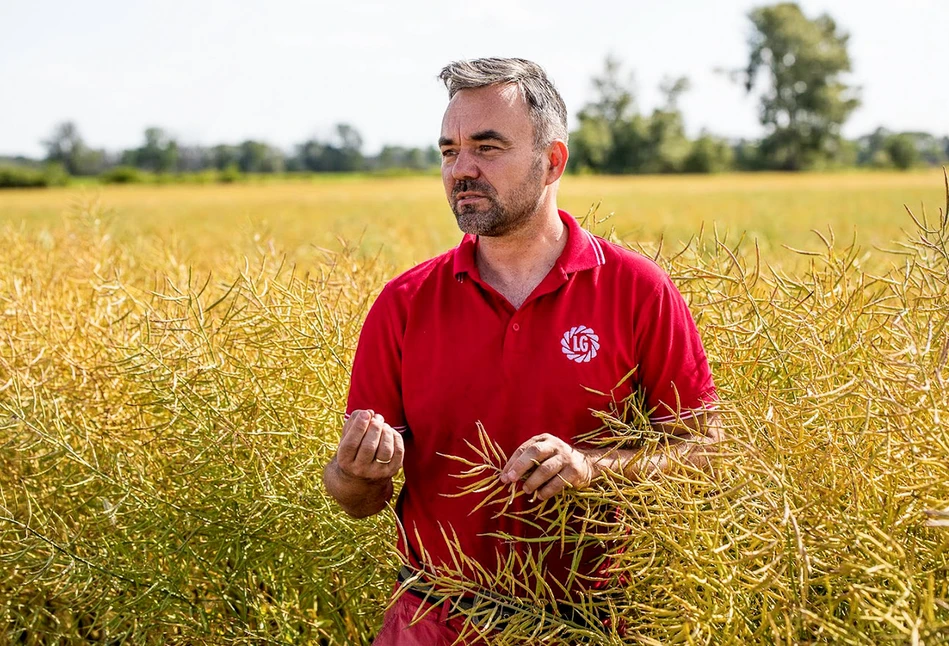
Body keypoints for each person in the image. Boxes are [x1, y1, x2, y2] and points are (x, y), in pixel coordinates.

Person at [323, 57, 721, 645]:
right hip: (436, 619)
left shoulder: (637, 289)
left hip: (595, 622)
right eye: (448, 151)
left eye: (487, 147)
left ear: (553, 160)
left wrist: (594, 469)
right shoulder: (404, 303)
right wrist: (352, 474)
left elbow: (708, 454)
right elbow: (360, 499)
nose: (462, 169)